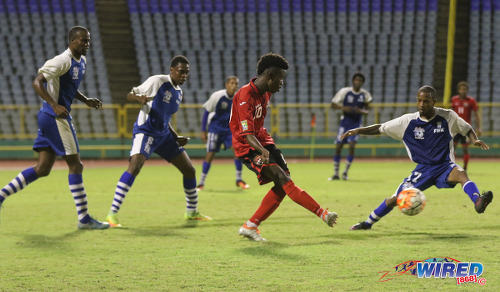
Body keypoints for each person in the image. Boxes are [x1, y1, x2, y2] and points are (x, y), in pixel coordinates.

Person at [0, 26, 109, 229]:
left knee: (42, 168)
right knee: (76, 165)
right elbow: (37, 82)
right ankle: (84, 219)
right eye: (83, 41)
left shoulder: (81, 61)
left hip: (49, 117)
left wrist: (85, 100)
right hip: (55, 118)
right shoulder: (61, 60)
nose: (87, 44)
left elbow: (69, 86)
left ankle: (1, 195)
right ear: (72, 41)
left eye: (88, 41)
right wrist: (54, 105)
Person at [342, 86, 493, 230]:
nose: (421, 104)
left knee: (461, 174)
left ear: (434, 101)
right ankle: (367, 223)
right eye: (419, 100)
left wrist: (474, 140)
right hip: (423, 170)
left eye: (426, 101)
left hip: (444, 166)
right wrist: (357, 130)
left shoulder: (448, 116)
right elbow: (380, 127)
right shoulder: (407, 122)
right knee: (395, 199)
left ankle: (478, 201)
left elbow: (467, 128)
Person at [230, 53, 338, 241]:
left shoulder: (266, 91)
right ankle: (322, 213)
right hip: (247, 147)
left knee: (284, 184)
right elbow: (246, 134)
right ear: (270, 76)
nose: (282, 83)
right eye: (280, 79)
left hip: (264, 141)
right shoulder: (245, 95)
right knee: (281, 178)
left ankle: (251, 225)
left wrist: (266, 147)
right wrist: (262, 151)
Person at [105, 55, 211, 227]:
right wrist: (138, 98)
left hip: (164, 135)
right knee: (134, 167)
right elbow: (129, 94)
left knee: (189, 170)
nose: (184, 76)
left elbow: (165, 117)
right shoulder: (158, 81)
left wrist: (176, 136)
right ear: (172, 70)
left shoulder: (179, 92)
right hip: (146, 132)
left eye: (187, 73)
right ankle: (112, 214)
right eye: (181, 72)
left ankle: (191, 212)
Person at [197, 76, 250, 190]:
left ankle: (239, 179)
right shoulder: (217, 96)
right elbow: (207, 111)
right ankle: (201, 182)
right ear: (226, 85)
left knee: (238, 152)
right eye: (231, 83)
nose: (234, 85)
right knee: (210, 154)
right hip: (214, 129)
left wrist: (245, 130)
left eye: (236, 84)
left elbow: (243, 116)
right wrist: (203, 130)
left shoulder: (239, 99)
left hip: (229, 131)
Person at [329, 72, 372, 181]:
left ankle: (345, 173)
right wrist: (344, 108)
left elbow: (367, 110)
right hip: (344, 124)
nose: (357, 82)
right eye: (356, 80)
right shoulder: (345, 91)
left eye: (360, 80)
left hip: (356, 125)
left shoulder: (365, 94)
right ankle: (335, 173)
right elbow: (333, 104)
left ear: (362, 83)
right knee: (339, 147)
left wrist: (360, 111)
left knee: (352, 146)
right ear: (353, 81)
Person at [451, 81, 481, 171]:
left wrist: (478, 127)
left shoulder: (471, 101)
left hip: (465, 129)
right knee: (452, 148)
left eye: (465, 89)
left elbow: (476, 114)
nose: (463, 91)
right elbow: (451, 113)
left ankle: (465, 168)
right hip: (456, 128)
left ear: (467, 90)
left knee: (465, 148)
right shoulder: (454, 99)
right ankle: (452, 166)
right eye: (461, 89)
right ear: (458, 90)